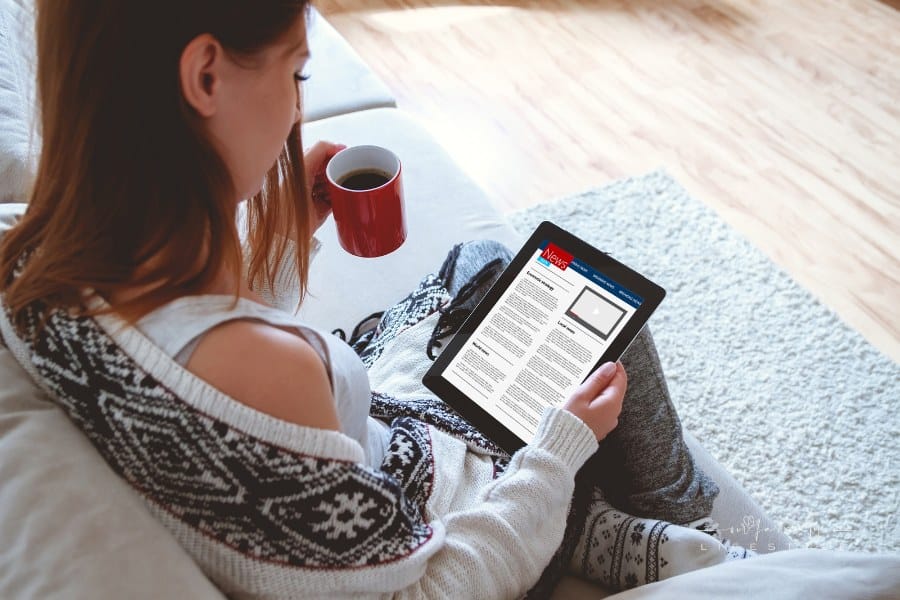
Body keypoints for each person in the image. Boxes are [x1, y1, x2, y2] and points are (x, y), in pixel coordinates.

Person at [0, 1, 742, 597]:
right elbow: (427, 590)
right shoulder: (272, 375)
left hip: (389, 432)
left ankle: (597, 516)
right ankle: (663, 519)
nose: (297, 109)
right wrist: (562, 449)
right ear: (205, 76)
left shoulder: (36, 268)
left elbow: (206, 348)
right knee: (600, 315)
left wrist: (289, 230)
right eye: (295, 74)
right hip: (442, 496)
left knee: (483, 264)